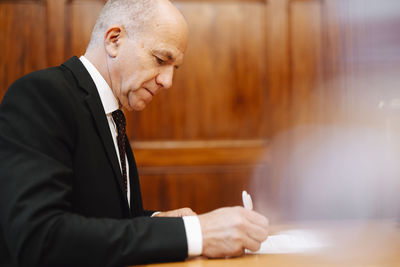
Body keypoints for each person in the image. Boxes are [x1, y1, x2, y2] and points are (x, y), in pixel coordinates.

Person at [0, 0, 269, 266]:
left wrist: (156, 223)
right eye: (160, 59)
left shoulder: (112, 112)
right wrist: (196, 234)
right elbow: (39, 237)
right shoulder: (42, 95)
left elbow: (101, 219)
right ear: (114, 40)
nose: (167, 81)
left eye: (173, 68)